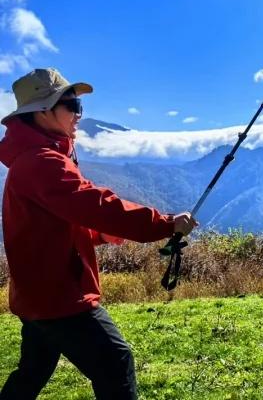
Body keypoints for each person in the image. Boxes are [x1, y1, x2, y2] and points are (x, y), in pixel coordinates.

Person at [0, 68, 197, 400]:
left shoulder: (33, 160)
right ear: (43, 110)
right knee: (115, 361)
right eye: (72, 105)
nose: (79, 114)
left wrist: (101, 236)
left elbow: (58, 224)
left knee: (32, 373)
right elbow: (98, 206)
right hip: (60, 298)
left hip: (37, 294)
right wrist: (164, 223)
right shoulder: (43, 162)